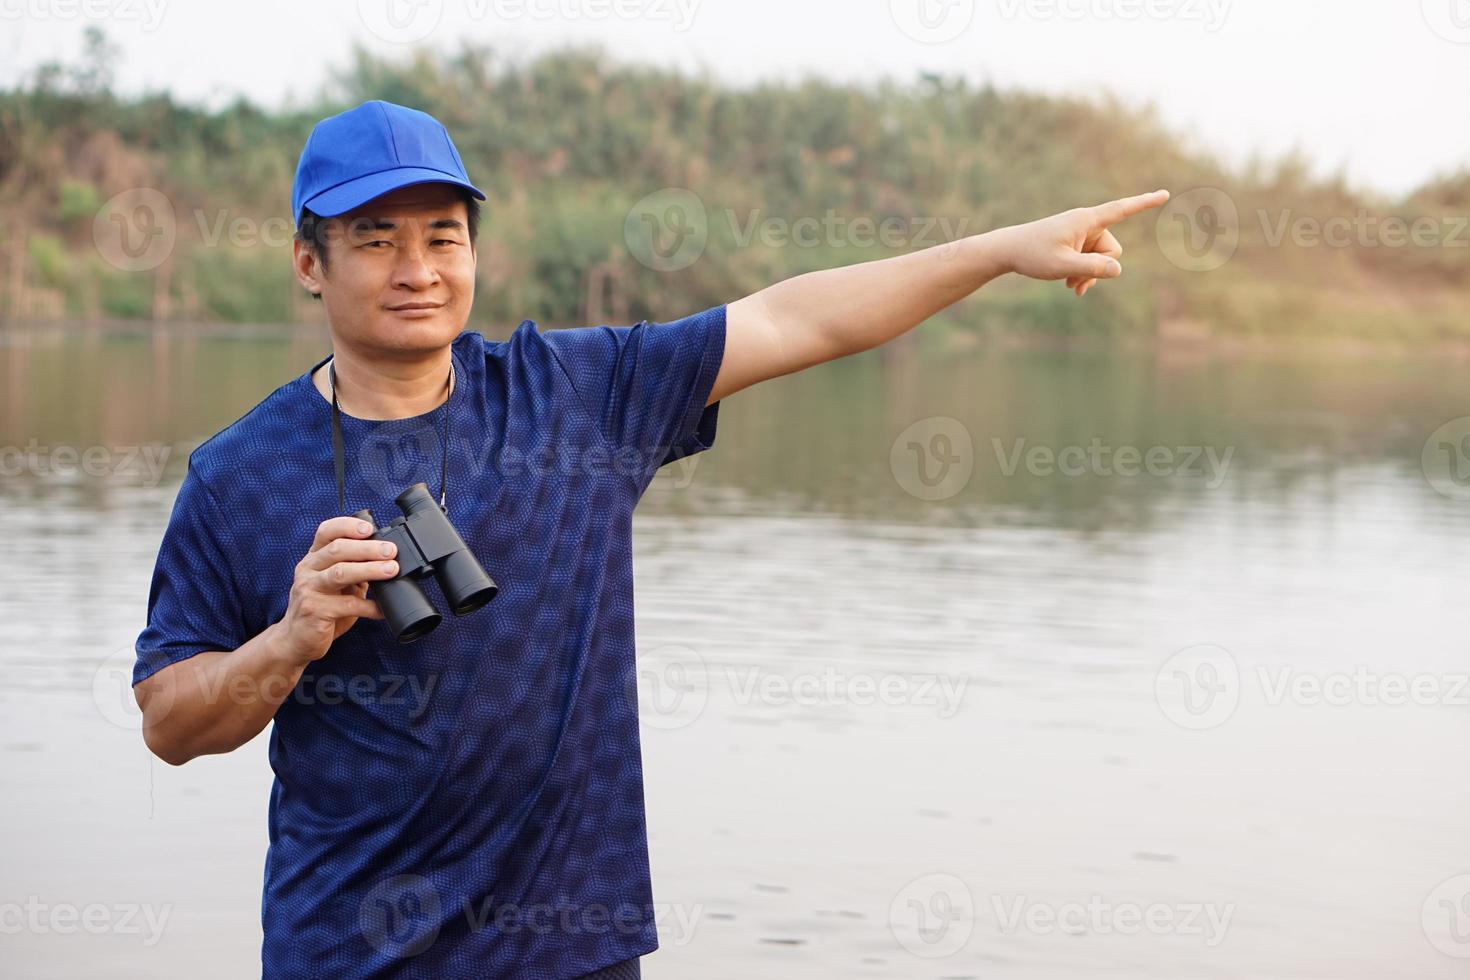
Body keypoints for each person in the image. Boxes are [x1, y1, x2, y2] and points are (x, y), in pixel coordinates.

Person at [131, 98, 1169, 979]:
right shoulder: (237, 474)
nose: (418, 268)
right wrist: (291, 638)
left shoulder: (575, 398)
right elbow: (170, 723)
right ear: (310, 263)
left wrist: (998, 250)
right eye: (376, 239)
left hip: (570, 941)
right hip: (346, 950)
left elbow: (800, 320)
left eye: (443, 235)